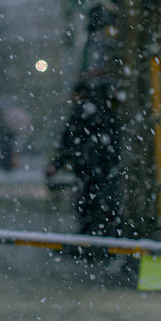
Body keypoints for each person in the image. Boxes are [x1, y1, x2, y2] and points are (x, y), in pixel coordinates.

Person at [47, 74, 122, 241]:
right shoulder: (104, 113)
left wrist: (56, 164)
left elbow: (68, 142)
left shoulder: (81, 114)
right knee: (103, 205)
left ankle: (89, 242)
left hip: (87, 168)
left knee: (86, 205)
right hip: (103, 167)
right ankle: (103, 241)